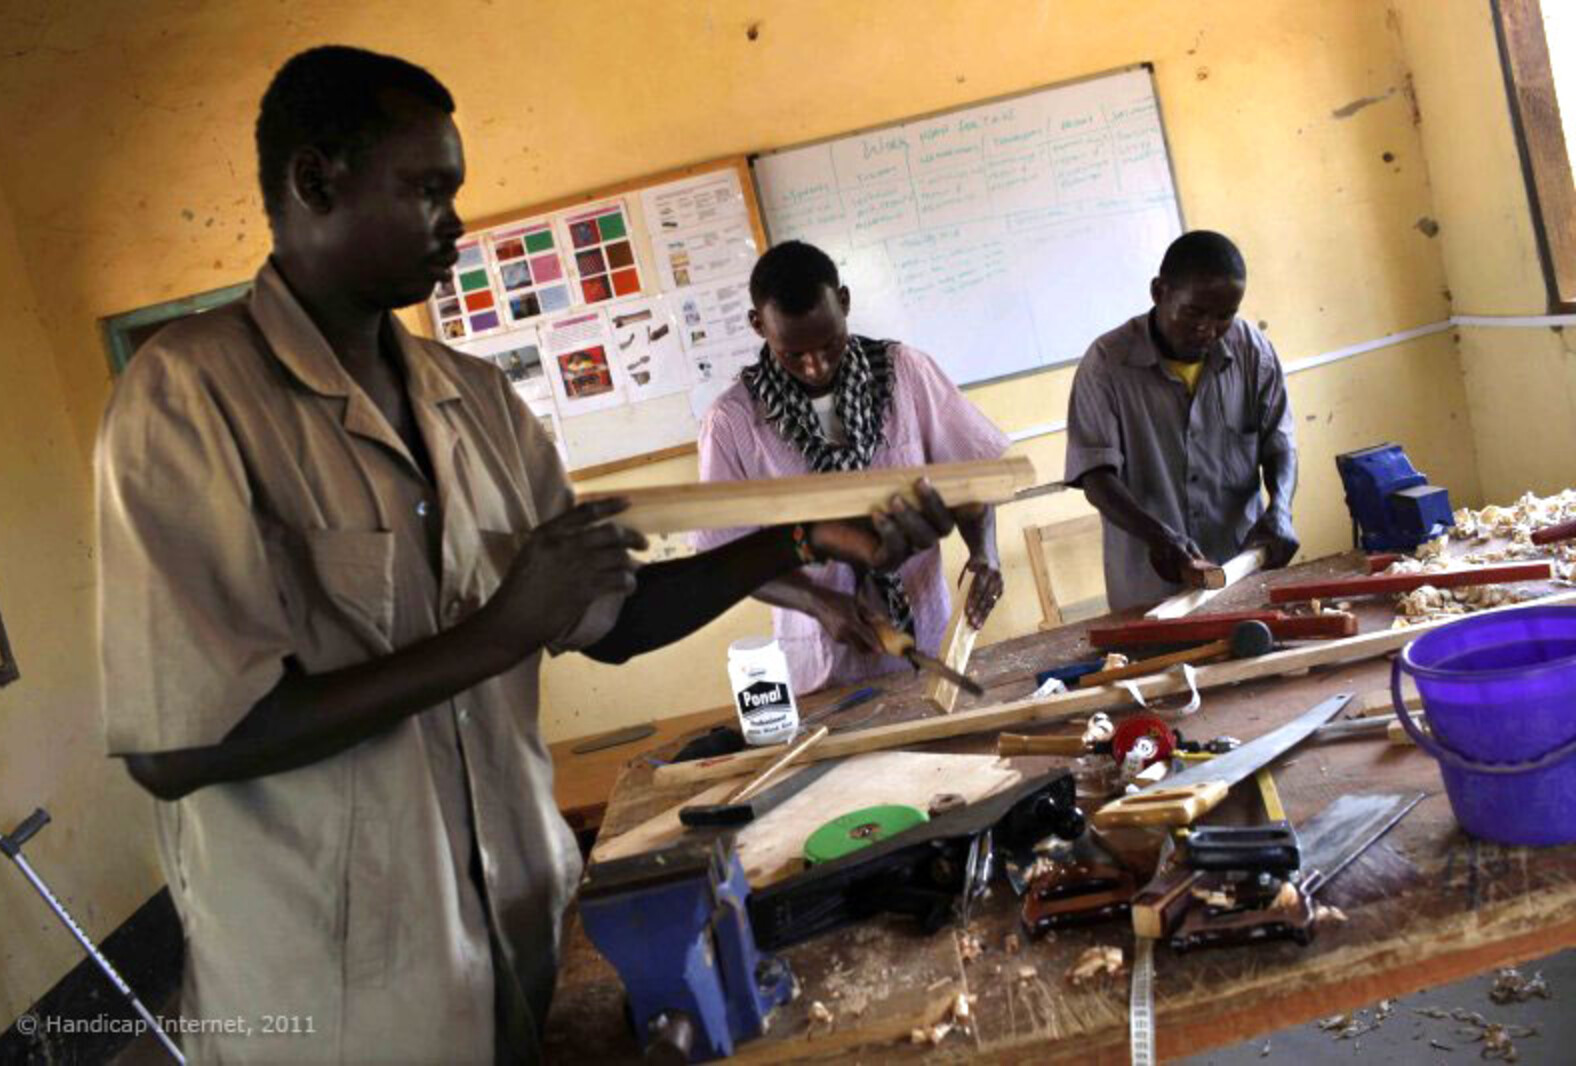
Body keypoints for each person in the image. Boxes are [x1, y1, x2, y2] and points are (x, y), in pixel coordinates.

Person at [95, 47, 958, 1064]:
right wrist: (501, 628)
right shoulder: (188, 399)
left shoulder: (476, 400)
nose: (453, 223)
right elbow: (181, 744)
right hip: (341, 995)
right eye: (426, 190)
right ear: (317, 180)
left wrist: (799, 538)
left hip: (524, 932)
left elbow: (613, 617)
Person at [694, 241, 1011, 695]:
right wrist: (822, 604)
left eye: (829, 345)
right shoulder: (731, 423)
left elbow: (969, 479)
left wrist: (985, 553)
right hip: (824, 666)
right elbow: (726, 559)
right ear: (758, 325)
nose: (816, 366)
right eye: (793, 354)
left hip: (930, 643)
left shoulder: (905, 373)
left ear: (844, 303)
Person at [1064, 230, 1298, 611]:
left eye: (1225, 316)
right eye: (1194, 312)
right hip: (1151, 592)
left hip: (1242, 573)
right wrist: (1157, 536)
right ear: (1159, 292)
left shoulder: (1253, 352)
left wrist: (1281, 508)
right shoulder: (1106, 364)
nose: (1208, 329)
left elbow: (1280, 443)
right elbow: (1096, 478)